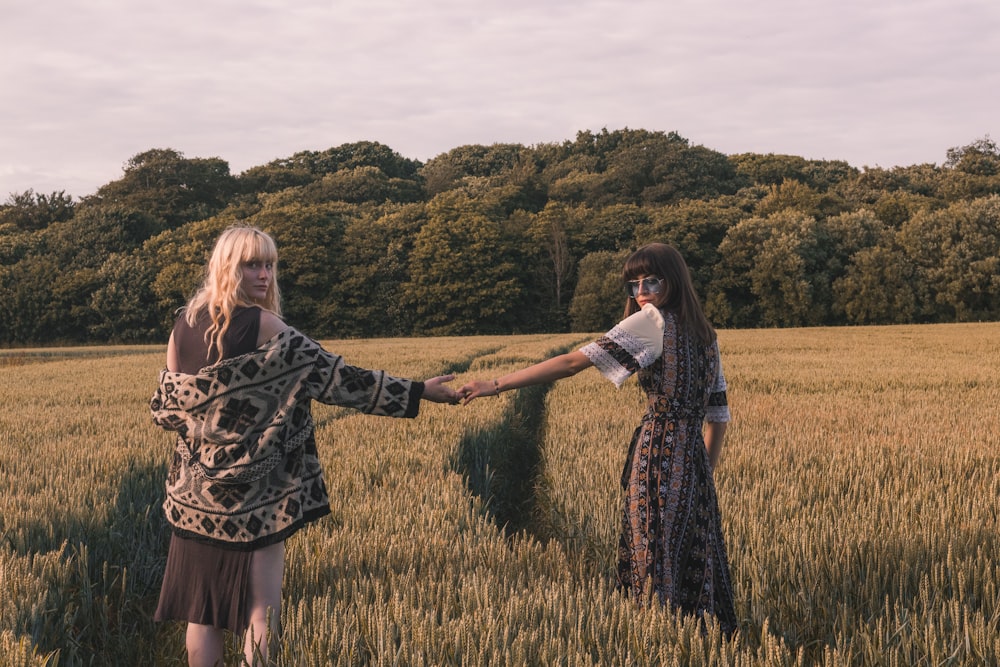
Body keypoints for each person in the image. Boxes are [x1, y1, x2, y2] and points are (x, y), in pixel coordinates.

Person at [149, 225, 459, 666]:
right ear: (226, 267)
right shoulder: (265, 325)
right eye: (251, 264)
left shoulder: (184, 325)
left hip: (195, 498)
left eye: (270, 264)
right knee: (262, 610)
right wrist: (417, 391)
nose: (264, 275)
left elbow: (170, 409)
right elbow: (340, 380)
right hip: (259, 497)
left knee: (202, 616)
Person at [459, 242, 737, 634]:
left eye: (651, 282)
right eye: (633, 285)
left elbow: (573, 362)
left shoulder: (652, 321)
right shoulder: (706, 336)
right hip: (692, 465)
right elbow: (718, 414)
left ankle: (655, 642)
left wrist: (496, 383)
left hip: (655, 460)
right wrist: (703, 472)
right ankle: (701, 645)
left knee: (651, 561)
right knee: (691, 558)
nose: (641, 293)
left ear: (672, 281)